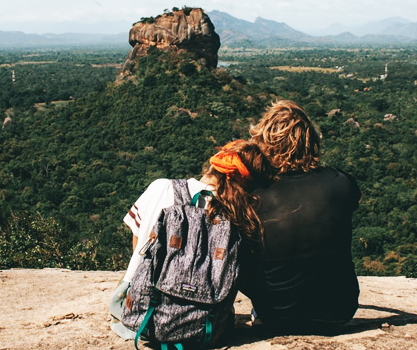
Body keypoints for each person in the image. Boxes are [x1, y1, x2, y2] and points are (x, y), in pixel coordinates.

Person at [109, 140, 273, 339]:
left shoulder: (161, 187)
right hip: (205, 323)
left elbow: (138, 246)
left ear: (213, 165)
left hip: (140, 317)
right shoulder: (239, 215)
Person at [239, 100, 362, 334]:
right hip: (339, 310)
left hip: (275, 314)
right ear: (311, 141)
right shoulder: (341, 183)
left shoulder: (252, 196)